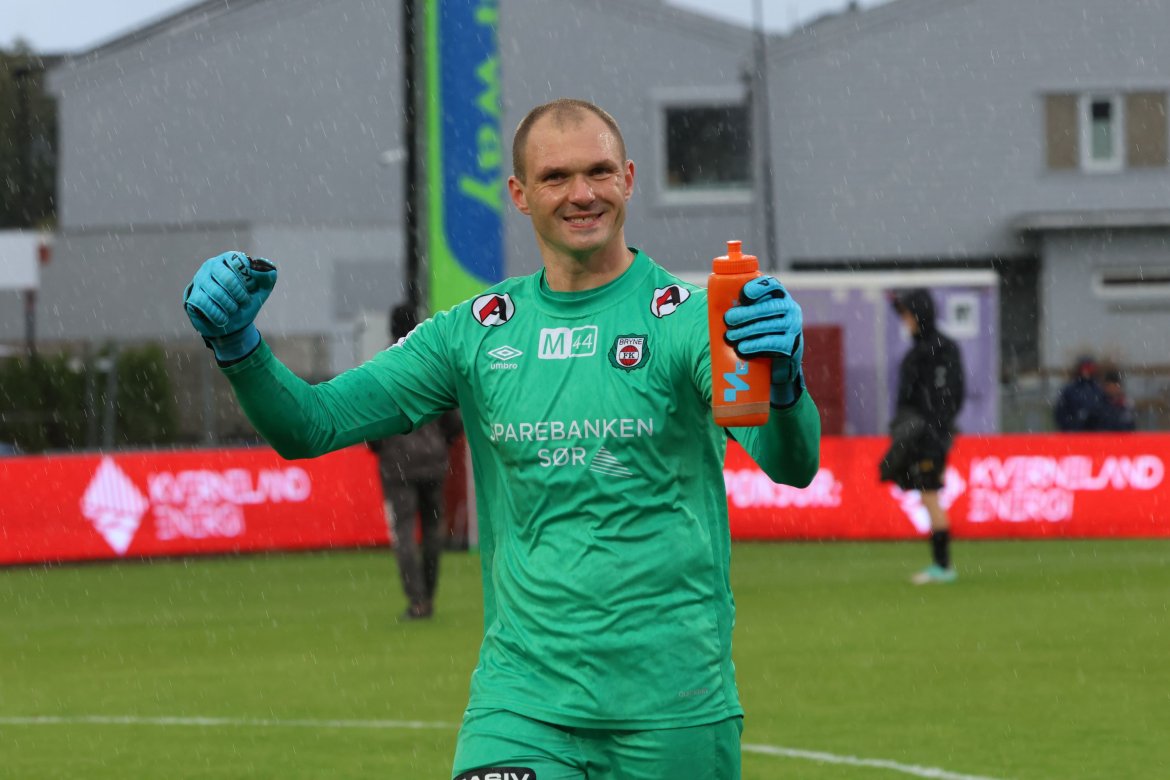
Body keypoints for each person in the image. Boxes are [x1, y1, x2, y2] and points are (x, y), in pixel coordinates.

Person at [182, 98, 820, 780]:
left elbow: (791, 462)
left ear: (629, 179)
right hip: (520, 706)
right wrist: (239, 346)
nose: (582, 194)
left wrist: (784, 383)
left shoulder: (692, 321)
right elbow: (312, 424)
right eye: (556, 177)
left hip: (674, 706)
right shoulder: (475, 331)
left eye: (599, 172)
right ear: (519, 193)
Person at [368, 303, 463, 620]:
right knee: (433, 531)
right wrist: (439, 442)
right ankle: (429, 596)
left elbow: (371, 419)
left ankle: (418, 600)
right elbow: (454, 420)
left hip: (397, 463)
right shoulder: (432, 363)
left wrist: (380, 446)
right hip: (433, 461)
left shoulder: (382, 366)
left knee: (405, 532)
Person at [879, 289, 965, 585]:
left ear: (919, 315)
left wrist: (933, 430)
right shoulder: (920, 350)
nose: (904, 320)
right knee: (928, 496)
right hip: (919, 434)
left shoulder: (939, 350)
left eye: (907, 314)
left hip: (929, 437)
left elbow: (949, 396)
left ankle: (943, 566)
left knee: (930, 496)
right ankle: (941, 565)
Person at [1053, 355, 1106, 432]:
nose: (1086, 371)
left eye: (1089, 368)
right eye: (1084, 368)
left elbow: (1104, 411)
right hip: (1074, 433)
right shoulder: (1070, 390)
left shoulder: (1099, 390)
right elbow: (1061, 413)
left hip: (1094, 433)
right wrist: (1073, 424)